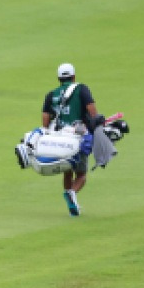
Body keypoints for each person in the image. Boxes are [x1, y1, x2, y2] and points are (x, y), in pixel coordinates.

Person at [42, 62, 100, 217]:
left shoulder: (51, 94)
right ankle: (72, 193)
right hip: (77, 137)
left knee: (67, 172)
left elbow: (45, 121)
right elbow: (92, 110)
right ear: (73, 76)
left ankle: (71, 202)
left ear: (59, 78)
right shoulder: (81, 89)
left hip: (60, 139)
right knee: (81, 174)